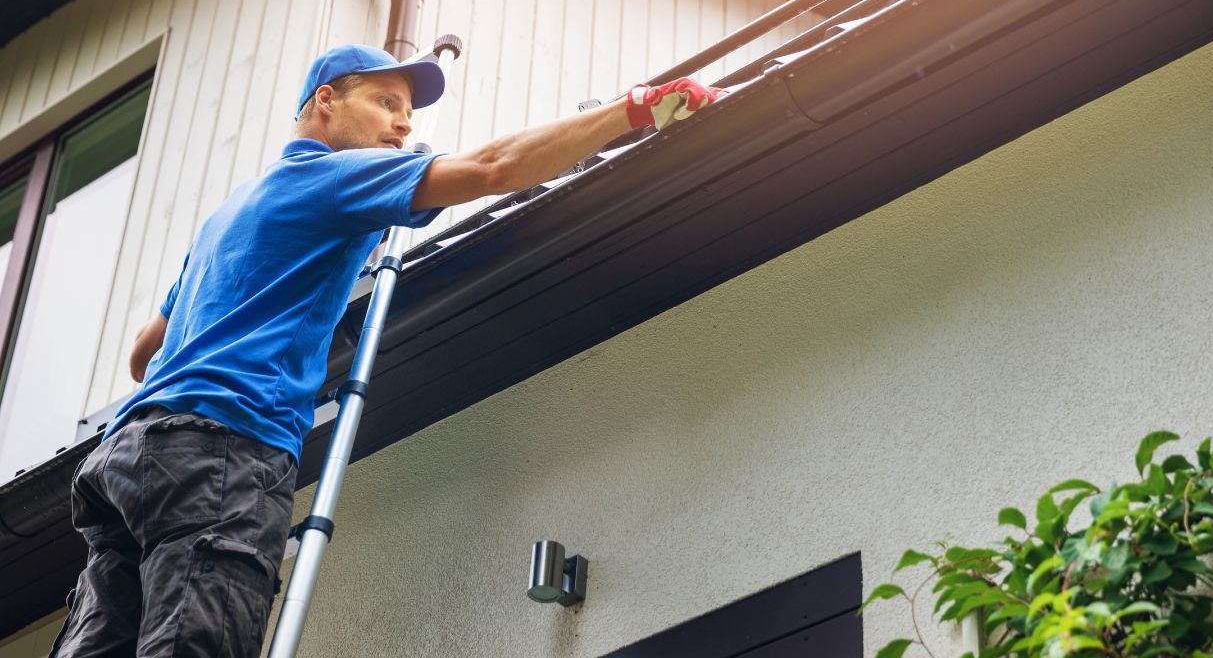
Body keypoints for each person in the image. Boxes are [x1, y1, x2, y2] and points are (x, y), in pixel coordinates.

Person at [50, 43, 725, 658]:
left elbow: (145, 352)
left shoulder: (230, 214)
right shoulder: (335, 178)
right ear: (325, 102)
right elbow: (494, 167)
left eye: (407, 111)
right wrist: (632, 109)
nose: (403, 124)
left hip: (130, 458)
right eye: (386, 103)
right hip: (221, 453)